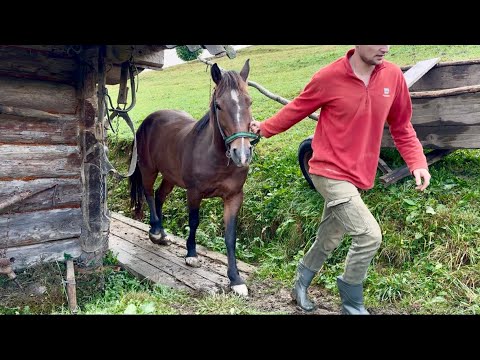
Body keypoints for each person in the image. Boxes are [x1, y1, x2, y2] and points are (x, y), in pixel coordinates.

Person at [250, 45, 431, 314]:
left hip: (358, 174)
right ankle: (352, 303)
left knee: (329, 237)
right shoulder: (329, 77)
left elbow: (402, 126)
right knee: (369, 236)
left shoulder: (392, 76)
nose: (386, 48)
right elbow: (297, 109)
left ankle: (300, 283)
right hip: (327, 171)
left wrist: (417, 162)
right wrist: (263, 129)